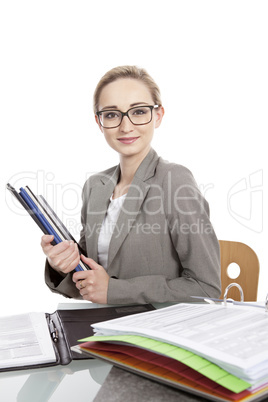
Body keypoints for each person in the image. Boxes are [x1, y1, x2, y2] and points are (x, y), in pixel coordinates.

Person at [41, 65, 221, 305]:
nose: (126, 127)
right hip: (104, 326)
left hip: (157, 331)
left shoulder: (174, 180)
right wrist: (62, 265)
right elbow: (90, 281)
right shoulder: (95, 186)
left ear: (158, 115)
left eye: (138, 111)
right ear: (99, 121)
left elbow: (206, 288)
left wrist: (115, 290)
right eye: (112, 114)